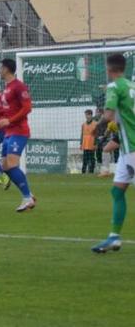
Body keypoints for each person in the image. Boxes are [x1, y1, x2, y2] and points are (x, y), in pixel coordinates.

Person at [92, 54, 135, 253]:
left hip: (132, 148)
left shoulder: (114, 87)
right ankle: (114, 237)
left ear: (109, 70)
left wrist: (96, 126)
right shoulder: (131, 86)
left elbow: (108, 114)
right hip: (127, 149)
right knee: (117, 190)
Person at [0, 58, 36, 212]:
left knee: (11, 164)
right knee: (5, 166)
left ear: (6, 69)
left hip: (19, 131)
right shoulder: (7, 88)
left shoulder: (19, 86)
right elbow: (8, 109)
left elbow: (27, 108)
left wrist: (9, 120)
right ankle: (29, 194)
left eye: (0, 67)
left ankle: (27, 197)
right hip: (9, 132)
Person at [81, 109, 98, 174]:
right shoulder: (83, 124)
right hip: (85, 144)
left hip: (92, 144)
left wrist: (95, 143)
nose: (87, 116)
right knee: (85, 158)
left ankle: (91, 171)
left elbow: (96, 134)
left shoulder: (95, 124)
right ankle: (83, 171)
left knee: (92, 158)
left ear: (91, 115)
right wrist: (81, 143)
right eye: (86, 115)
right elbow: (82, 134)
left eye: (88, 115)